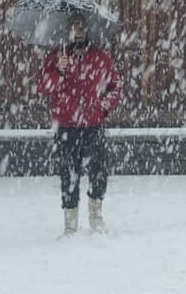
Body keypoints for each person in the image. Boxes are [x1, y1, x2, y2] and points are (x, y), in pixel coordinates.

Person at [36, 13, 123, 237]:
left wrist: (103, 107)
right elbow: (43, 87)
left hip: (93, 125)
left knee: (98, 171)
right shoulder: (57, 56)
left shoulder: (100, 57)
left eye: (82, 27)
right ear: (68, 31)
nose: (79, 31)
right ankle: (70, 224)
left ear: (88, 30)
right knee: (68, 174)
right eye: (75, 27)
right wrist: (59, 71)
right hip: (66, 126)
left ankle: (96, 216)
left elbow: (116, 86)